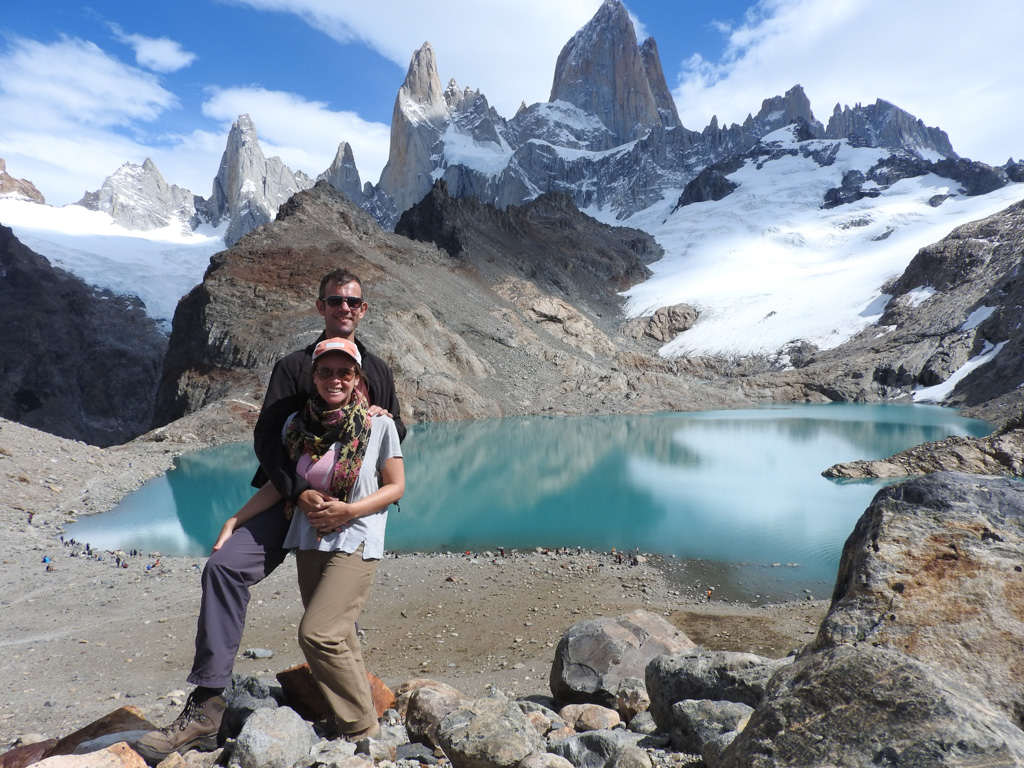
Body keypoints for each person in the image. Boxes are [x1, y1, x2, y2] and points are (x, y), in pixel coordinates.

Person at [135, 270, 404, 764]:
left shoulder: (378, 370)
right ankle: (208, 702)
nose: (344, 308)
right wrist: (294, 494)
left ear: (364, 310)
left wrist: (379, 433)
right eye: (334, 300)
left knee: (327, 620)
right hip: (289, 502)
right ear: (319, 306)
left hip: (347, 509)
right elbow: (269, 441)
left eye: (353, 302)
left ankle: (359, 714)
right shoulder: (294, 367)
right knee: (224, 567)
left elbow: (394, 437)